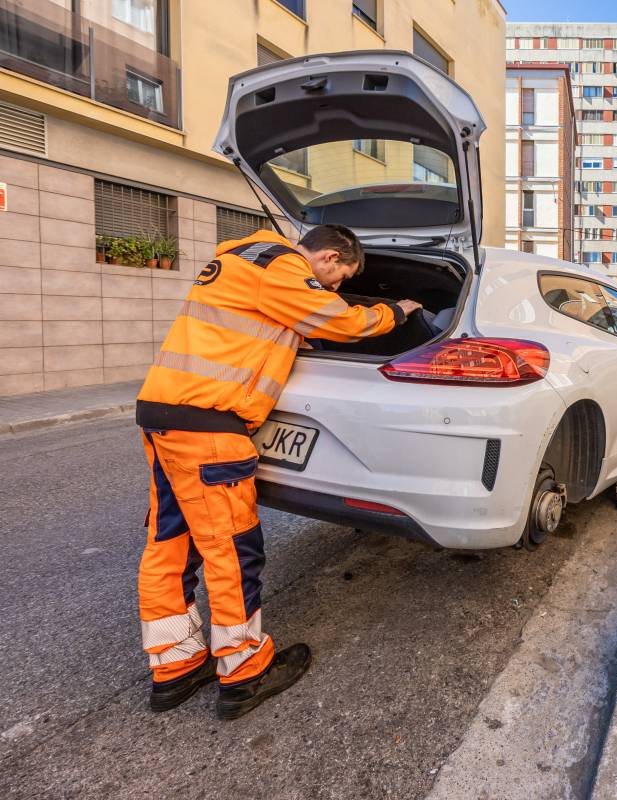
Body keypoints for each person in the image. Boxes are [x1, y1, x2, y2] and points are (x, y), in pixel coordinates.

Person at [134, 224, 420, 719]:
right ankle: (244, 673)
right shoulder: (280, 265)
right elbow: (343, 324)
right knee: (231, 551)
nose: (331, 288)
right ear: (329, 257)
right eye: (336, 279)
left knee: (171, 542)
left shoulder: (240, 261)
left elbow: (258, 332)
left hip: (165, 416)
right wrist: (396, 312)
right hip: (209, 428)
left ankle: (175, 666)